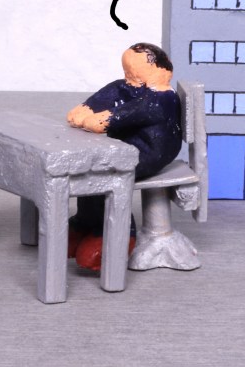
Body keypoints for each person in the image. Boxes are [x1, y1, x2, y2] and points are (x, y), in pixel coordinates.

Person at [65, 43, 182, 271]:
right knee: (90, 170)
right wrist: (87, 108)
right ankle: (86, 221)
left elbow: (116, 117)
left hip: (149, 152)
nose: (130, 79)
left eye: (135, 73)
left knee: (104, 175)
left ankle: (118, 234)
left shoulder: (160, 99)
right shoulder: (129, 87)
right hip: (123, 146)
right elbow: (110, 94)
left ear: (163, 70)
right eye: (129, 72)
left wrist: (100, 119)